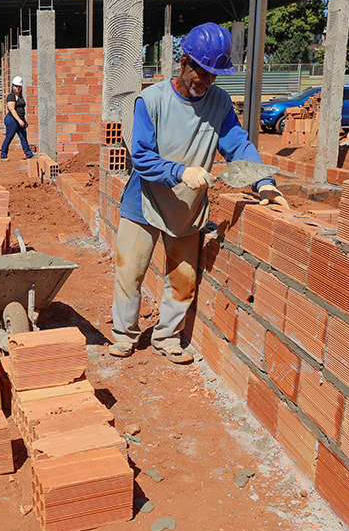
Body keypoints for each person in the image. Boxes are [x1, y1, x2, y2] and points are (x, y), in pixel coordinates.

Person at [110, 22, 289, 363]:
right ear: (184, 63)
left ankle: (167, 338)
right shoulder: (152, 100)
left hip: (186, 209)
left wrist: (263, 182)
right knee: (129, 274)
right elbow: (142, 156)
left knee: (183, 279)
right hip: (143, 202)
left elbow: (237, 144)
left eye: (213, 76)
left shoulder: (218, 102)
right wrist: (180, 171)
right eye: (202, 73)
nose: (206, 82)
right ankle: (124, 335)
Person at [0, 76, 35, 161]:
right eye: (16, 86)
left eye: (19, 86)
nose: (17, 88)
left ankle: (29, 154)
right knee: (9, 137)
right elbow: (12, 109)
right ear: (12, 86)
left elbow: (21, 110)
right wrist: (19, 120)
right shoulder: (11, 96)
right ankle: (3, 155)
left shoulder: (20, 96)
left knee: (23, 137)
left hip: (20, 120)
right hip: (12, 120)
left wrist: (24, 120)